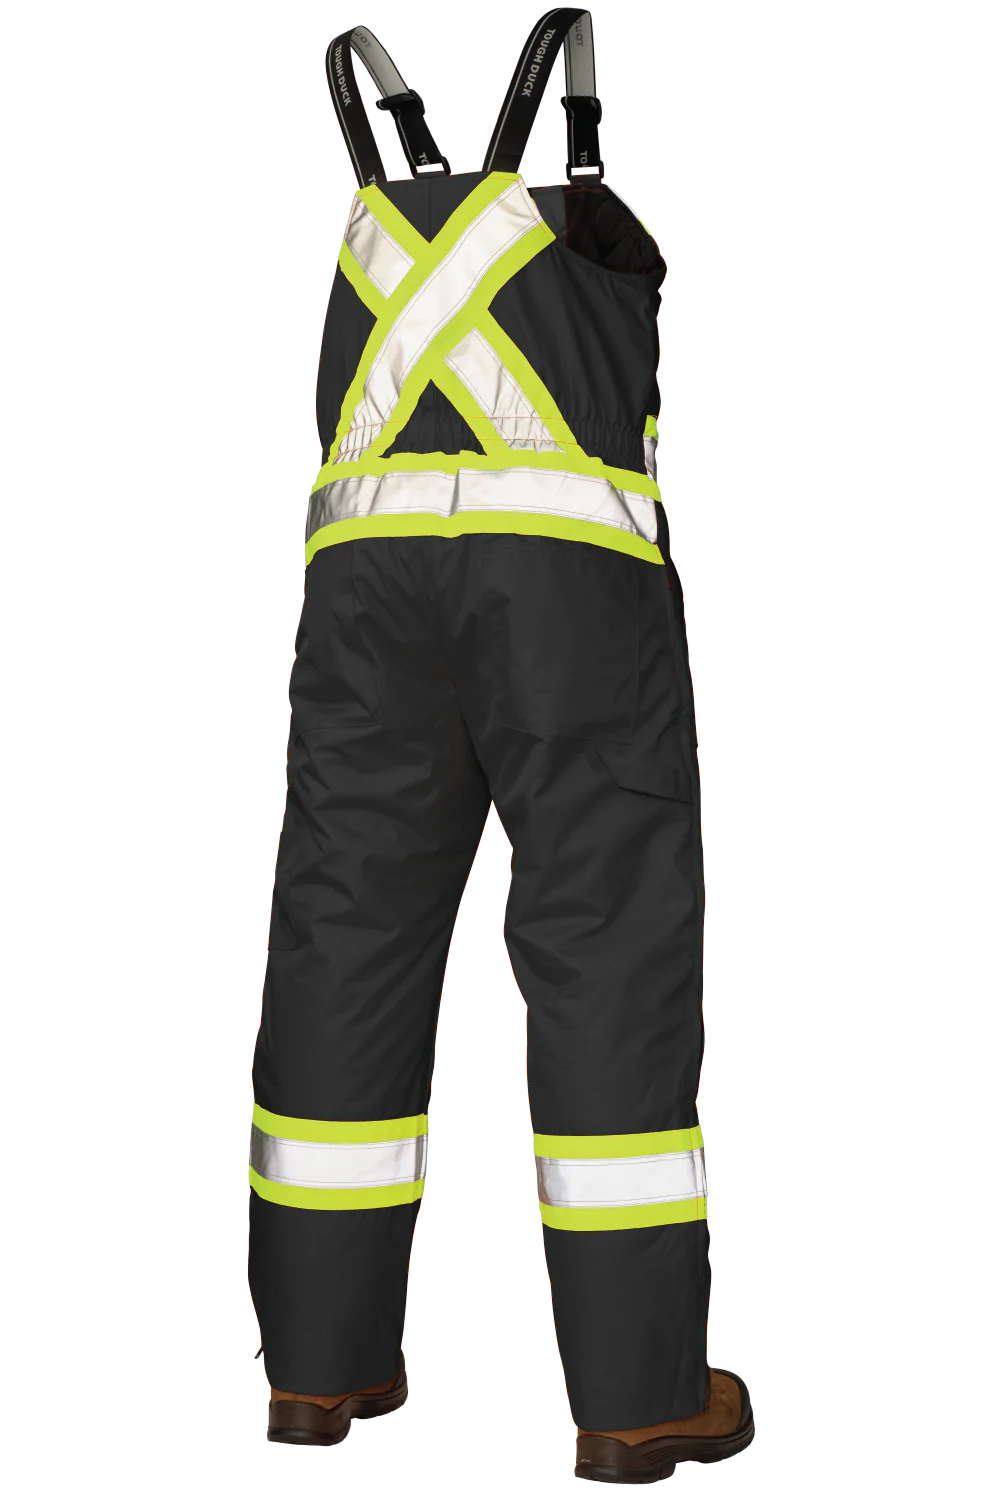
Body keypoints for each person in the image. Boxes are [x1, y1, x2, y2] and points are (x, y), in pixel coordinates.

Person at [248, 9, 755, 1482]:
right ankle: (638, 1394)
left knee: (346, 928)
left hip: (364, 589)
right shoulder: (577, 97)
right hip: (566, 590)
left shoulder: (372, 181)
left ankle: (317, 1369)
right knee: (606, 937)